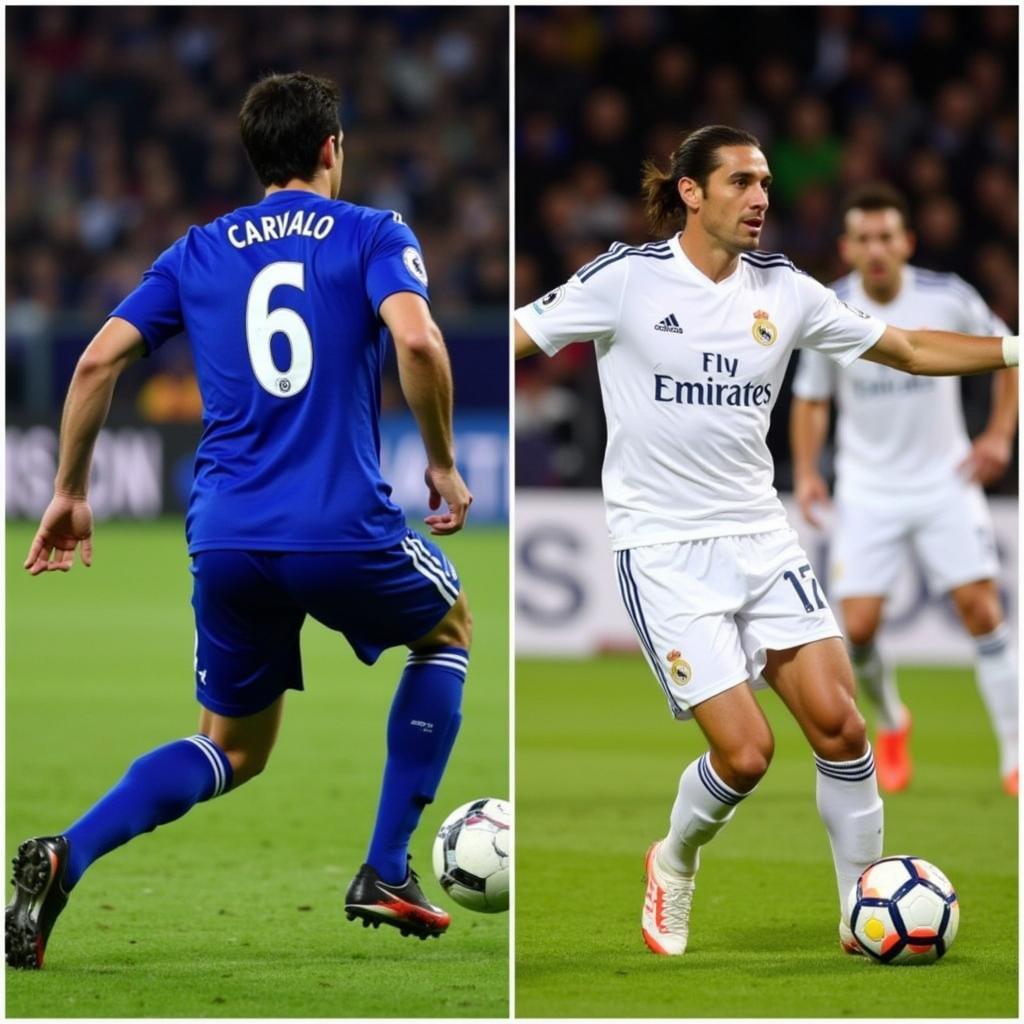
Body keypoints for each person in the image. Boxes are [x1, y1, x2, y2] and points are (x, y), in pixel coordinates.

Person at [513, 125, 1018, 958]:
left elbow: (912, 347)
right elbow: (517, 338)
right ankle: (673, 861)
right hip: (664, 548)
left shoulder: (785, 290)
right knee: (747, 754)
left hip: (761, 535)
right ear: (691, 191)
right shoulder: (627, 279)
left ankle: (863, 912)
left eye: (766, 184)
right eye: (742, 182)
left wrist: (1013, 349)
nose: (760, 199)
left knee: (842, 729)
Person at [7, 72, 474, 970]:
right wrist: (443, 462)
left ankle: (69, 853)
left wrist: (69, 490)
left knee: (228, 746)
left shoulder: (197, 250)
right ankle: (383, 867)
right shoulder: (375, 231)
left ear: (256, 158)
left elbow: (98, 362)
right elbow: (417, 339)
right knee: (446, 630)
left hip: (224, 534)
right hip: (340, 524)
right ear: (332, 148)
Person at [790, 183, 1018, 796]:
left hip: (945, 481)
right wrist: (809, 470)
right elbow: (811, 398)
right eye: (863, 238)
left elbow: (1010, 358)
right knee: (857, 629)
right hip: (867, 489)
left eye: (887, 236)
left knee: (982, 609)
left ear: (907, 241)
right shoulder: (829, 306)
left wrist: (998, 435)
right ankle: (893, 720)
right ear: (847, 247)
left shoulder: (947, 298)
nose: (877, 248)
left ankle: (1015, 755)